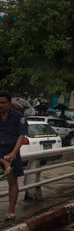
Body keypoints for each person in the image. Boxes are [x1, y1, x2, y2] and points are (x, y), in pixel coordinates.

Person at [0, 91, 27, 221]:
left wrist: (13, 153)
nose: (1, 105)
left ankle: (11, 211)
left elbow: (21, 136)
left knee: (12, 181)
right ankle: (5, 163)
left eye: (3, 103)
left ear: (10, 103)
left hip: (11, 150)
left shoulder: (18, 116)